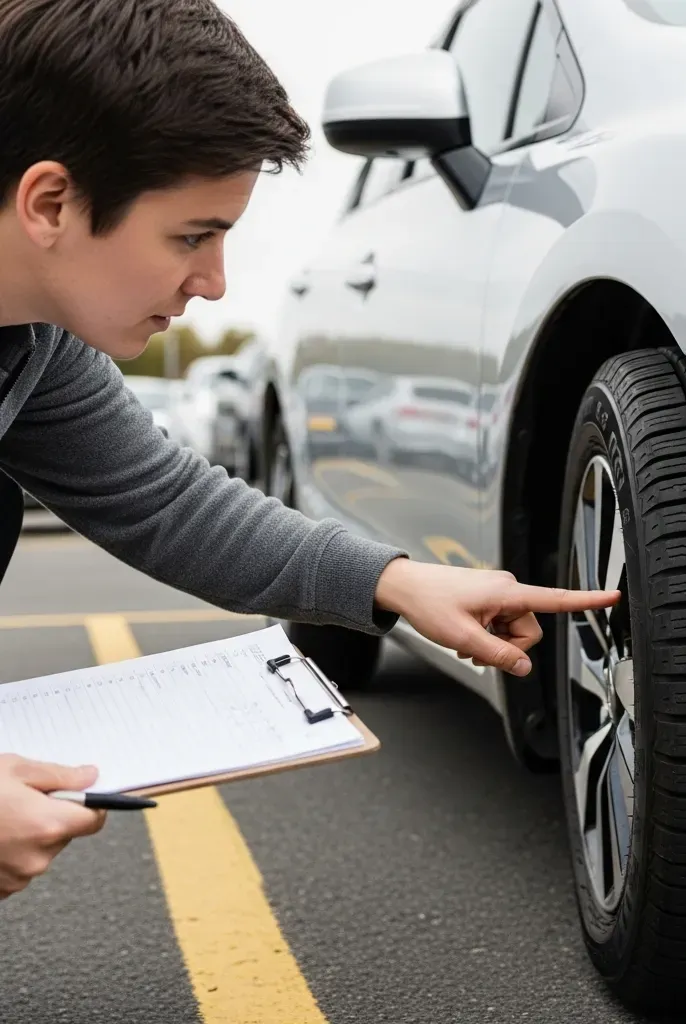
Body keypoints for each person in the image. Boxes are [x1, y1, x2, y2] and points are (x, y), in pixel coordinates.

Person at [0, 0, 619, 900]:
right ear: (50, 201)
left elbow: (165, 504)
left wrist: (401, 584)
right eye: (192, 236)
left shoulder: (33, 338)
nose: (212, 283)